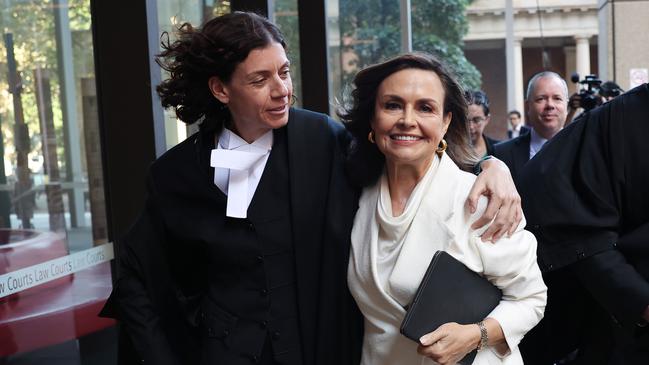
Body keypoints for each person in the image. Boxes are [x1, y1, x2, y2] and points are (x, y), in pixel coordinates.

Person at [100, 12, 524, 365]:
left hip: (319, 350)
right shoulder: (176, 173)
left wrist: (491, 163)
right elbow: (138, 280)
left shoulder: (322, 140)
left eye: (284, 72)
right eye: (260, 79)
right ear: (220, 88)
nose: (282, 89)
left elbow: (407, 148)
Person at [341, 53, 547, 365]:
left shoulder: (478, 200)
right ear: (373, 117)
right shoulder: (358, 193)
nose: (407, 119)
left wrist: (476, 334)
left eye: (425, 107)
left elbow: (531, 298)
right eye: (393, 105)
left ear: (446, 121)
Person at [517, 83, 649, 364]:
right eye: (541, 98)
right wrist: (640, 301)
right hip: (626, 334)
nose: (549, 105)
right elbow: (569, 222)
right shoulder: (622, 118)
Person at [493, 71, 568, 187]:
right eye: (541, 99)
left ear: (566, 106)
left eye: (557, 98)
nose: (550, 105)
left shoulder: (586, 150)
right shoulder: (501, 154)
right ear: (528, 106)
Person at [465, 90, 500, 157]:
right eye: (466, 120)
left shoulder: (499, 150)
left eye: (476, 120)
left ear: (487, 119)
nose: (471, 127)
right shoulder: (449, 152)